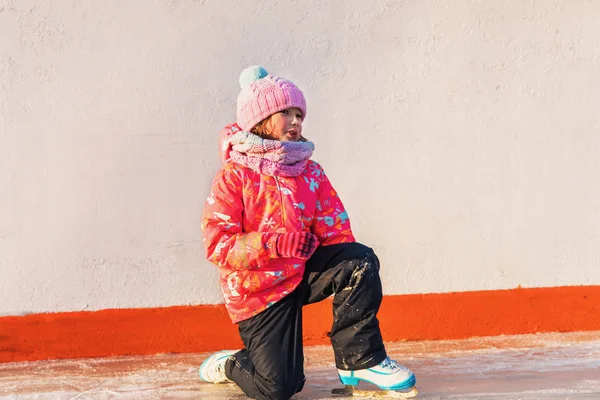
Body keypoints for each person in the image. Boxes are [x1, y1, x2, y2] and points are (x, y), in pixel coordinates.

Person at [199, 66, 416, 400]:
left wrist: (342, 268)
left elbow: (336, 231)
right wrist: (273, 243)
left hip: (300, 274)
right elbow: (218, 245)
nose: (296, 120)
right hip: (259, 291)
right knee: (280, 388)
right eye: (285, 112)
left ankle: (360, 359)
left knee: (359, 261)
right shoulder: (234, 176)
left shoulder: (310, 171)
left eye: (299, 113)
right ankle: (232, 365)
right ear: (260, 119)